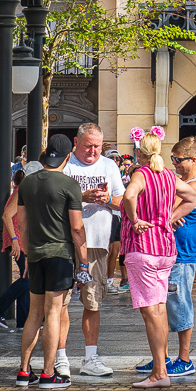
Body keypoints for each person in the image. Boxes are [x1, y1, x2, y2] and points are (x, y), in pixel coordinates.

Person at [121, 131, 196, 388]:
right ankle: (160, 366)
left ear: (140, 153)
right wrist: (168, 218)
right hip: (165, 249)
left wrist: (134, 220)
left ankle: (159, 372)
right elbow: (193, 198)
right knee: (160, 309)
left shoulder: (141, 174)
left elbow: (129, 196)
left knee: (151, 311)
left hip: (143, 247)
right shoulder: (168, 175)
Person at [15, 135, 88, 388]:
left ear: (46, 155)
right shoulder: (69, 185)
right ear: (68, 157)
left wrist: (26, 253)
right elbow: (77, 228)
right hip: (60, 254)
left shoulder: (27, 184)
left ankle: (24, 371)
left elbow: (21, 223)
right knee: (53, 312)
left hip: (35, 255)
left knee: (34, 314)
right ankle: (49, 373)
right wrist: (84, 261)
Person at [62, 122, 126, 377]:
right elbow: (53, 200)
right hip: (66, 242)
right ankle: (60, 359)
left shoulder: (109, 166)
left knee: (94, 302)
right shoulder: (66, 165)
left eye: (97, 146)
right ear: (76, 143)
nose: (93, 151)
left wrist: (107, 200)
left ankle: (91, 358)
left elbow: (123, 203)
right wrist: (81, 197)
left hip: (98, 243)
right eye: (88, 146)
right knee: (61, 303)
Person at [0, 164, 41, 330]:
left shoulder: (26, 190)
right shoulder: (22, 191)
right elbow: (6, 216)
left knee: (27, 277)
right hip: (18, 239)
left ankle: (23, 321)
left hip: (22, 238)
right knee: (28, 278)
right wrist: (14, 240)